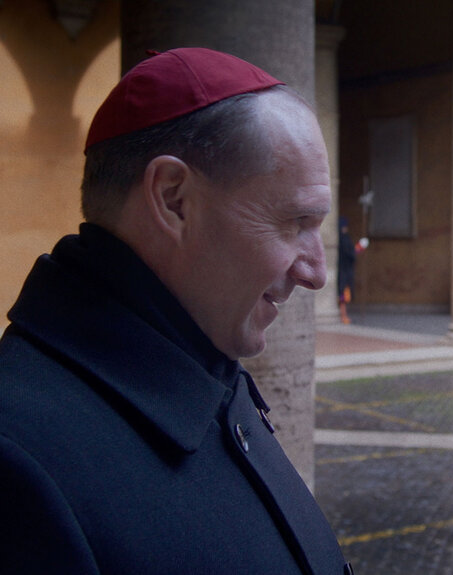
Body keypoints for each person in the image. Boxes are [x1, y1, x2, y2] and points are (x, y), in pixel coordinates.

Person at [0, 48, 353, 575]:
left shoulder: (206, 360)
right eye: (294, 221)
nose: (317, 272)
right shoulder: (17, 462)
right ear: (173, 199)